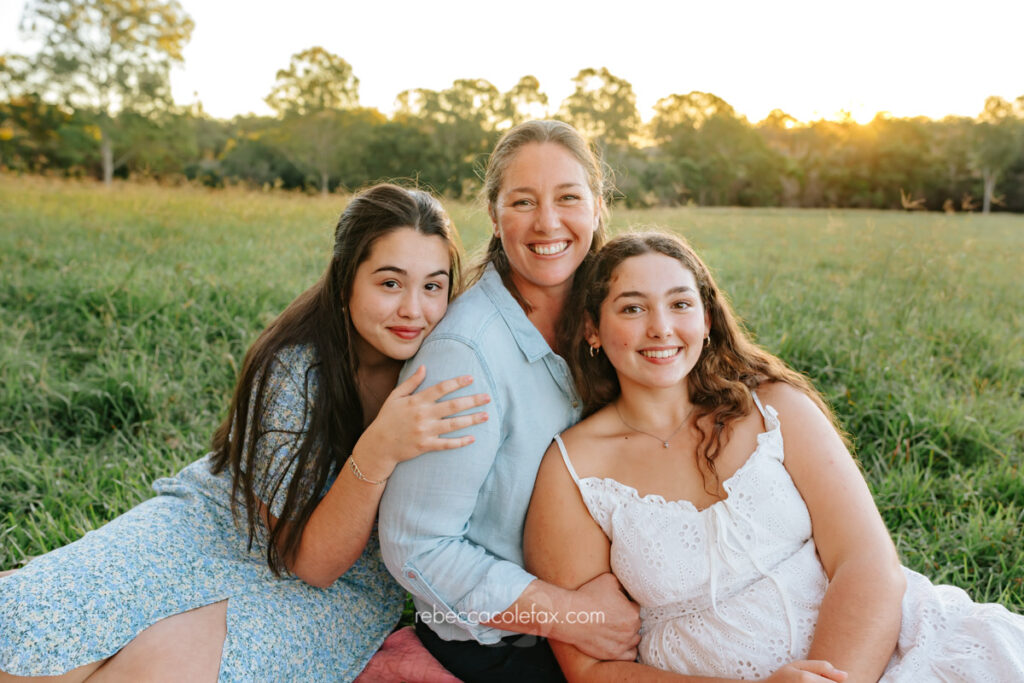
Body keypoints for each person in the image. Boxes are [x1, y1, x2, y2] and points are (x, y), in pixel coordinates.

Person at [0, 184, 490, 681]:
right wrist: (379, 448)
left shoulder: (451, 368)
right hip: (222, 522)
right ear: (345, 279)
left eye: (433, 287)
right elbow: (297, 546)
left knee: (158, 672)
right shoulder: (293, 367)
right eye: (390, 283)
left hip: (339, 582)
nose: (413, 309)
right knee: (27, 626)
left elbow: (317, 568)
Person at [524, 230, 1024, 682]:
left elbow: (867, 561)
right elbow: (590, 669)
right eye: (633, 309)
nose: (661, 328)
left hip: (886, 648)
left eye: (680, 304)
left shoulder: (773, 407)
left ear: (706, 318)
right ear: (592, 328)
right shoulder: (573, 469)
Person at [378, 120, 642, 683]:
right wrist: (574, 616)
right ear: (495, 217)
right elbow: (417, 548)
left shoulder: (614, 316)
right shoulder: (465, 354)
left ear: (597, 207)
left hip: (610, 613)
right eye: (523, 201)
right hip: (510, 645)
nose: (548, 223)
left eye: (568, 198)